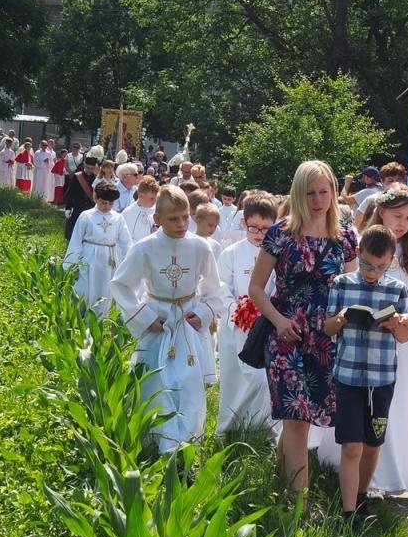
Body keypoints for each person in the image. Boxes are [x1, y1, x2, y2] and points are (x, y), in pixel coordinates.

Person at [248, 160, 360, 496]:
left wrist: (342, 320)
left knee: (306, 416)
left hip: (326, 335)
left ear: (333, 192)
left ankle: (282, 477)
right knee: (295, 415)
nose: (317, 199)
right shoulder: (281, 233)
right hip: (286, 333)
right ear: (299, 193)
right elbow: (256, 288)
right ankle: (299, 505)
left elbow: (352, 289)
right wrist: (279, 321)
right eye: (309, 192)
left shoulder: (346, 236)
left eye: (323, 191)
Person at [110, 186, 224, 455]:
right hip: (158, 321)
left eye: (186, 217)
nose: (182, 224)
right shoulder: (144, 248)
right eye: (174, 219)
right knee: (157, 381)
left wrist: (204, 313)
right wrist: (145, 316)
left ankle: (186, 446)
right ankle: (157, 442)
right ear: (157, 218)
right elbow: (121, 285)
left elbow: (214, 288)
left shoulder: (200, 247)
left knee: (188, 383)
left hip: (187, 321)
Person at [323, 225, 408, 528]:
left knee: (373, 444)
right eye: (367, 264)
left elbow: (404, 336)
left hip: (381, 378)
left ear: (391, 261)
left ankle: (360, 496)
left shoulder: (397, 289)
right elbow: (327, 328)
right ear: (358, 254)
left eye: (380, 266)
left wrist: (396, 324)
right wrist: (341, 318)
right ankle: (348, 513)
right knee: (351, 445)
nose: (372, 271)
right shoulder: (341, 283)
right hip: (347, 375)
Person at [354, 186, 408, 495]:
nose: (402, 223)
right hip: (366, 338)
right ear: (381, 212)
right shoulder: (362, 244)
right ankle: (359, 472)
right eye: (397, 216)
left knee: (395, 403)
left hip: (400, 336)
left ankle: (394, 469)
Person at [216, 194, 279, 437]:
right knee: (235, 377)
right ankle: (230, 426)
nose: (259, 233)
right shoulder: (231, 252)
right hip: (236, 326)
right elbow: (220, 285)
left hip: (267, 324)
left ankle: (263, 426)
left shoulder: (277, 253)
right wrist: (236, 310)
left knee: (264, 379)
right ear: (243, 223)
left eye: (266, 228)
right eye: (254, 227)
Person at [64, 180, 131, 317]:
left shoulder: (118, 218)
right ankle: (82, 315)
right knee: (86, 286)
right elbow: (76, 240)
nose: (106, 207)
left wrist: (130, 261)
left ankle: (103, 317)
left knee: (106, 287)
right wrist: (71, 264)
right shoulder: (86, 216)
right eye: (103, 202)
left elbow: (126, 242)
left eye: (110, 204)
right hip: (90, 256)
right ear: (96, 198)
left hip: (110, 258)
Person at [62, 153, 99, 240]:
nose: (90, 170)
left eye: (92, 168)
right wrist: (68, 207)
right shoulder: (78, 176)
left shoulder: (96, 178)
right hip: (78, 206)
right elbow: (71, 192)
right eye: (88, 168)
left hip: (91, 208)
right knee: (73, 230)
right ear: (84, 166)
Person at [121, 175, 159, 243]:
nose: (154, 201)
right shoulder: (127, 214)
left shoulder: (158, 211)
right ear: (141, 195)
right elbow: (125, 239)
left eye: (155, 198)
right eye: (151, 198)